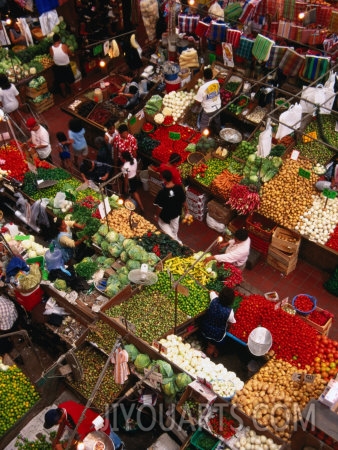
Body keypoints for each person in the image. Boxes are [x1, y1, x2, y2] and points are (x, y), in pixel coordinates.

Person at [43, 400, 123, 450]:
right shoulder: (61, 408)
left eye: (56, 423)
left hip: (100, 427)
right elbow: (63, 423)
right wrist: (57, 438)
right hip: (88, 426)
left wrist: (63, 446)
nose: (57, 425)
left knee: (110, 439)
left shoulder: (77, 421)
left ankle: (119, 446)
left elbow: (80, 438)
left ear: (59, 419)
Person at [200, 286, 236, 358]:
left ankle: (213, 350)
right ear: (231, 301)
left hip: (206, 327)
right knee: (211, 346)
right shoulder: (230, 312)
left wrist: (215, 293)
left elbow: (211, 291)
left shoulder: (214, 299)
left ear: (219, 295)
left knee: (210, 343)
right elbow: (232, 321)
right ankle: (207, 358)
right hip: (216, 334)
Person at [153, 169, 187, 244]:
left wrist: (156, 215)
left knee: (166, 229)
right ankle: (175, 237)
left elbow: (159, 207)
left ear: (164, 179)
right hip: (176, 214)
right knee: (174, 229)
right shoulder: (179, 188)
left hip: (165, 216)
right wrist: (187, 210)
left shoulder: (162, 193)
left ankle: (176, 242)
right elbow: (184, 201)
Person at [194, 67, 221, 133]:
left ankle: (202, 137)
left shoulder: (202, 88)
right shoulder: (216, 82)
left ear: (204, 77)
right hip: (218, 106)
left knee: (204, 123)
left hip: (208, 110)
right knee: (217, 119)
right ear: (212, 75)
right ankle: (218, 131)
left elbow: (197, 102)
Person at [50, 33, 75, 97]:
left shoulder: (51, 48)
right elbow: (70, 54)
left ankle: (64, 94)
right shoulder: (64, 46)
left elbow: (52, 56)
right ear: (59, 39)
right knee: (71, 80)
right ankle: (72, 92)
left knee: (61, 81)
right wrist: (72, 55)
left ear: (53, 41)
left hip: (58, 67)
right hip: (66, 66)